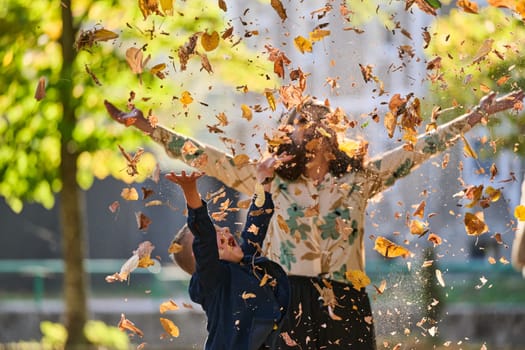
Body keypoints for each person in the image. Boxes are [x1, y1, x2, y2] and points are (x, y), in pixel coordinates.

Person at [105, 89, 523, 349]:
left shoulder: (361, 178)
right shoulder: (268, 180)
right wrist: (148, 127)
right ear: (290, 134)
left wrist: (476, 115)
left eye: (318, 118)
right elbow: (207, 158)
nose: (310, 124)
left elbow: (421, 148)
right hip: (288, 301)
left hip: (348, 299)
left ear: (331, 131)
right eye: (300, 121)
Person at [166, 155, 291, 350]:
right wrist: (191, 194)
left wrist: (263, 179)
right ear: (200, 257)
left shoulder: (246, 262)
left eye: (220, 228)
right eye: (216, 233)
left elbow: (256, 222)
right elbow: (204, 240)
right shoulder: (213, 280)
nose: (224, 230)